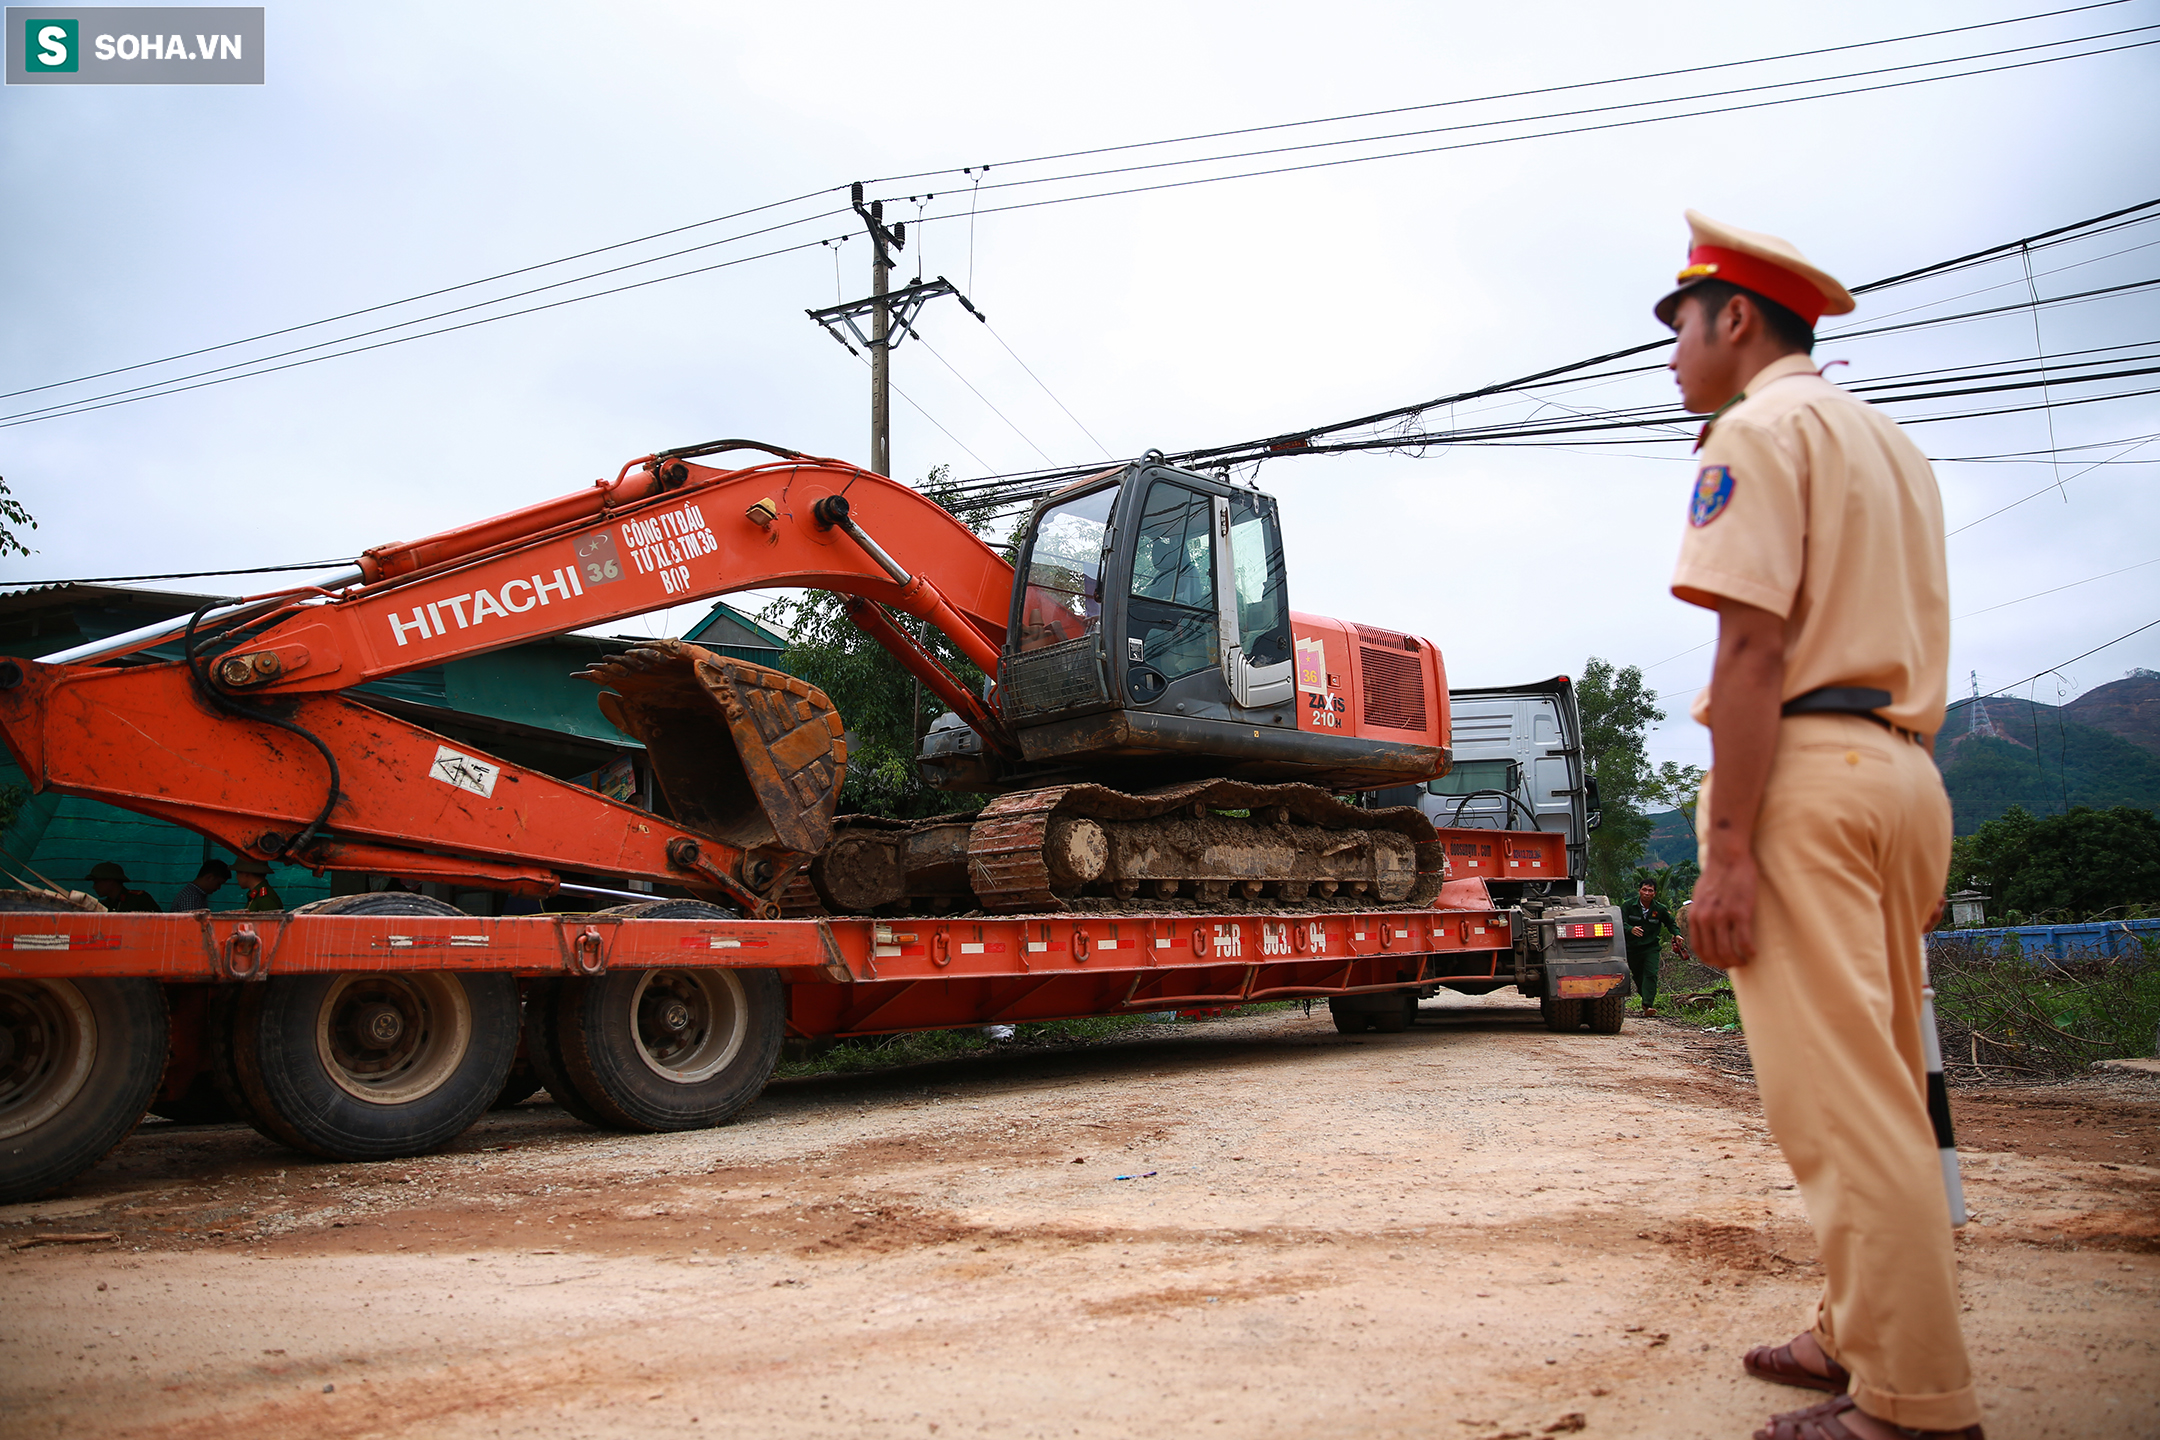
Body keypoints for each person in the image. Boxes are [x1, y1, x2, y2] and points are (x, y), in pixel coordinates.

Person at [1657, 212, 1980, 1440]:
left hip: (1807, 774)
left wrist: (1729, 849)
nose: (1671, 356)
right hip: (1902, 773)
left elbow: (1751, 645)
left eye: (1680, 327)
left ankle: (1911, 1404)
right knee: (1886, 1076)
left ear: (1735, 317)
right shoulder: (1888, 447)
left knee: (1843, 1108)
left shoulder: (1757, 431)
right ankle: (1858, 1329)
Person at [1619, 879, 1683, 1014]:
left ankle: (1647, 1005)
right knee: (1638, 976)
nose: (1647, 893)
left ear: (1655, 893)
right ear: (1639, 891)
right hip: (1632, 948)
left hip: (1651, 947)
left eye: (1650, 891)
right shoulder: (1628, 906)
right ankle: (1645, 997)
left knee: (1651, 973)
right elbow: (1619, 922)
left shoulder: (1659, 909)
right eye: (1644, 890)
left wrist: (1677, 935)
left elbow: (1670, 923)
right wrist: (1630, 929)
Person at [87, 861, 161, 913]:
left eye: (96, 882)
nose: (94, 887)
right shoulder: (104, 905)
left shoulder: (139, 899)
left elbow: (160, 923)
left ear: (110, 881)